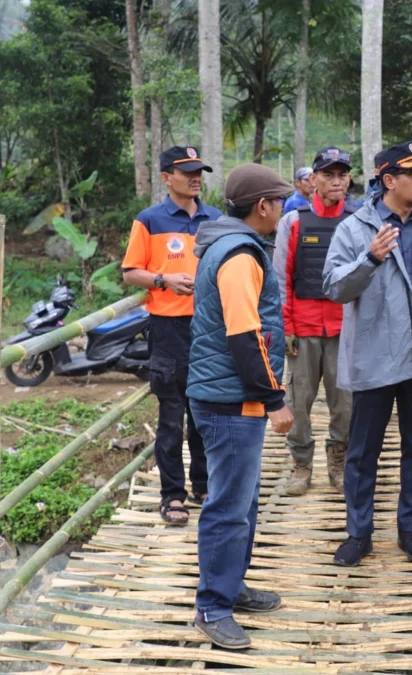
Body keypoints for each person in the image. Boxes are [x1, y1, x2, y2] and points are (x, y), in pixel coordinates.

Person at [323, 141, 412, 567]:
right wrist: (370, 258)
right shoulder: (355, 229)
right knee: (363, 452)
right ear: (388, 181)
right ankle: (358, 534)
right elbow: (333, 287)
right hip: (375, 357)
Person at [186, 163, 295, 649]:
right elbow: (244, 334)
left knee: (241, 503)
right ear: (263, 207)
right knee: (228, 507)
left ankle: (232, 584)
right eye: (280, 201)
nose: (284, 209)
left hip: (231, 395)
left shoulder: (235, 246)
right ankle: (212, 605)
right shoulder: (237, 256)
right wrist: (276, 400)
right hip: (231, 400)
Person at [121, 145, 218, 526]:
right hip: (168, 329)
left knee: (205, 411)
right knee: (171, 416)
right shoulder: (150, 220)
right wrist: (163, 279)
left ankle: (203, 484)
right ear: (166, 177)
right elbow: (131, 272)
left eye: (199, 171)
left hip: (209, 327)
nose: (195, 177)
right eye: (186, 171)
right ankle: (172, 495)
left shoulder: (214, 218)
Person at [272, 147, 356, 496]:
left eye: (342, 174)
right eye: (328, 174)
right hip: (303, 328)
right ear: (314, 180)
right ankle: (301, 463)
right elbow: (282, 278)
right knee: (298, 403)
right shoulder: (293, 221)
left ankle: (338, 460)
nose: (335, 181)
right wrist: (286, 328)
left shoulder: (358, 220)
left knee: (346, 404)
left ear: (349, 179)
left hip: (345, 329)